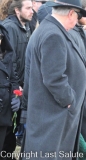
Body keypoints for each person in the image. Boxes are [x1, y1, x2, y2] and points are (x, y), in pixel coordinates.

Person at [21, 0, 86, 159]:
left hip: (53, 114)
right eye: (77, 15)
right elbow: (54, 78)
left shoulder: (52, 29)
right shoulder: (53, 34)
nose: (77, 20)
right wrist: (69, 99)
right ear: (71, 13)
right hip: (53, 115)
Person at [1, 0, 33, 148]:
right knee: (7, 128)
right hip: (9, 88)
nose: (32, 11)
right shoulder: (9, 28)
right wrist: (15, 87)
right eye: (28, 8)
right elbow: (9, 60)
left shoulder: (25, 28)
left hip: (18, 86)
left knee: (12, 127)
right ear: (17, 11)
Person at [0, 23, 20, 159]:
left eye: (0, 37)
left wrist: (15, 95)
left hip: (4, 112)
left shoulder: (6, 55)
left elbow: (13, 79)